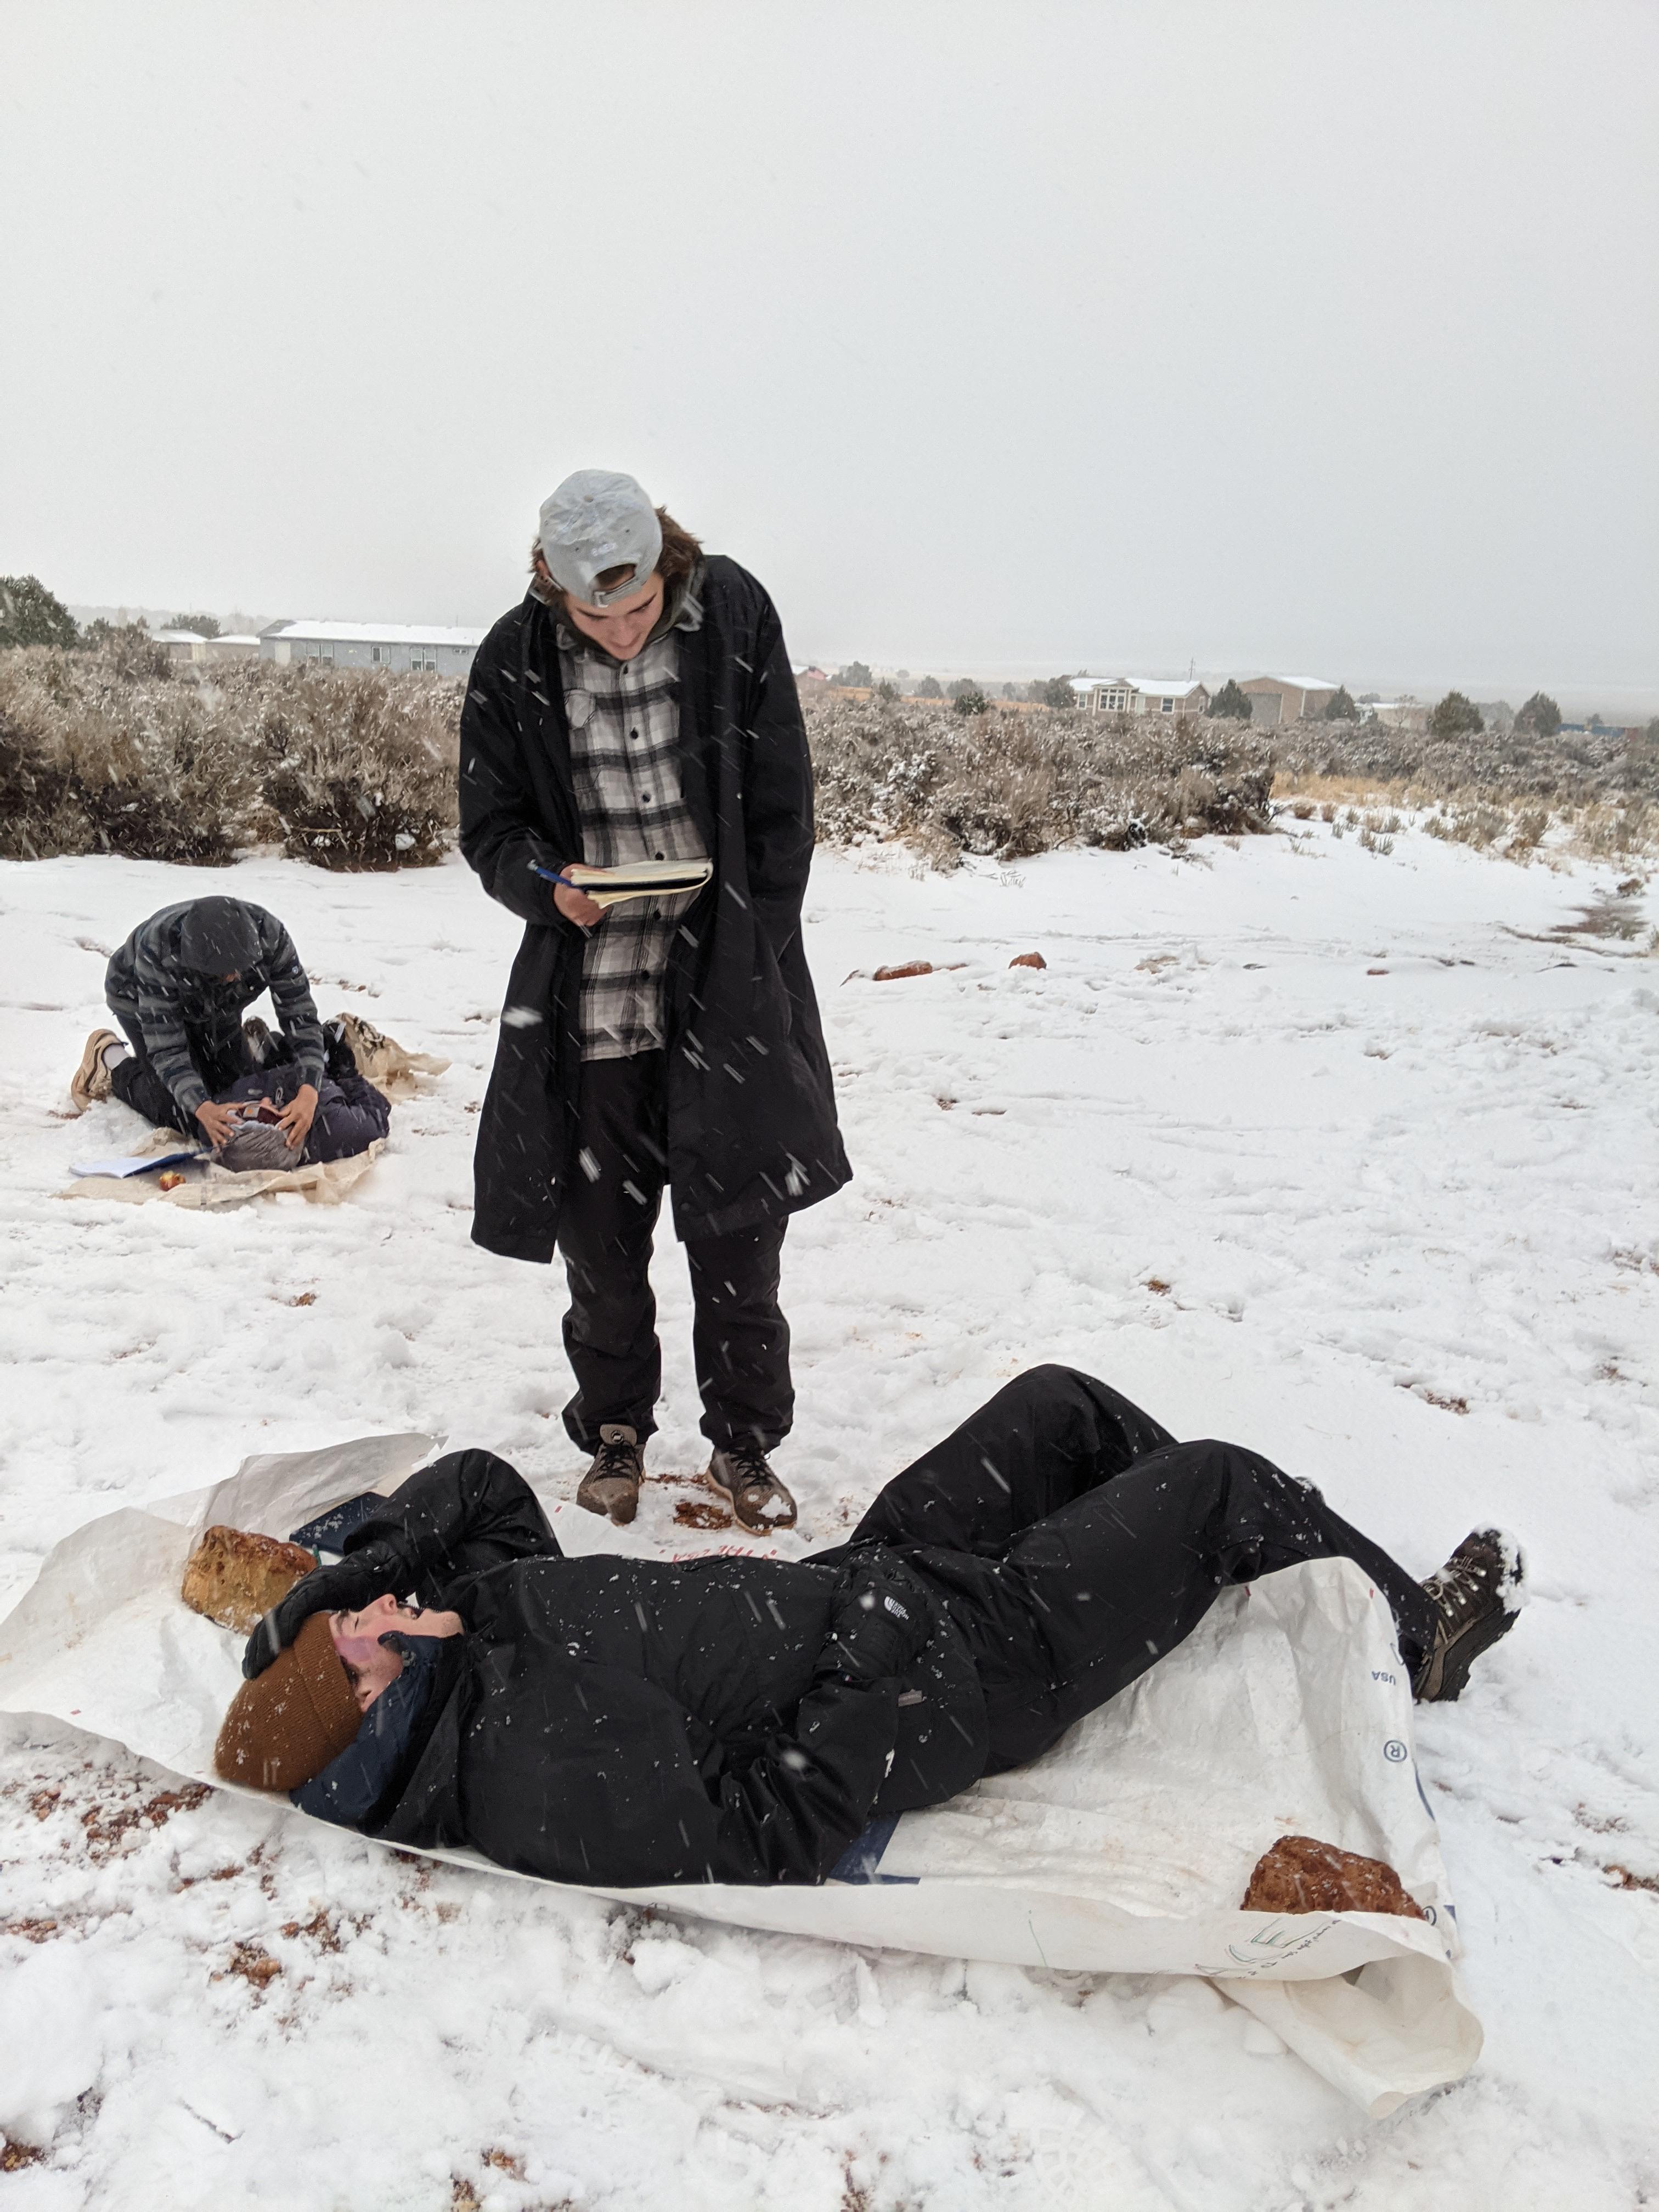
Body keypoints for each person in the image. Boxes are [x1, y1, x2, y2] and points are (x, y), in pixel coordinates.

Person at [216, 1365, 1524, 1888]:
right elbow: (764, 1834)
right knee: (1222, 1481)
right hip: (949, 1670)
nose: (384, 1610)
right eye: (361, 1640)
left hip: (862, 1582)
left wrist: (342, 1585)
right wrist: (875, 1655)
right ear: (373, 1717)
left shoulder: (461, 1640)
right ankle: (1419, 1646)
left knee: (1057, 1407)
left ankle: (1224, 1572)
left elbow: (485, 1490)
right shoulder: (534, 1771)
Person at [457, 470, 850, 1534]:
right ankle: (617, 1428)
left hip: (723, 995)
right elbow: (489, 830)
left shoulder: (733, 615)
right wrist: (546, 886)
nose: (623, 632)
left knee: (738, 1238)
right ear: (552, 587)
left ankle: (745, 1444)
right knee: (600, 1244)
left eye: (638, 610)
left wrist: (752, 955)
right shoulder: (512, 658)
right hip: (589, 1003)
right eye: (598, 613)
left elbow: (782, 811)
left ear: (670, 569)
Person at [71, 896, 326, 1155]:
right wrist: (202, 1108)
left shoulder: (272, 937)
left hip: (220, 1005)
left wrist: (309, 1091)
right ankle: (111, 1059)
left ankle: (246, 1045)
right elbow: (168, 1050)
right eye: (223, 972)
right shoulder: (159, 950)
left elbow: (301, 1017)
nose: (234, 977)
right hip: (137, 1000)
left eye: (240, 968)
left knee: (237, 1091)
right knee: (182, 1114)